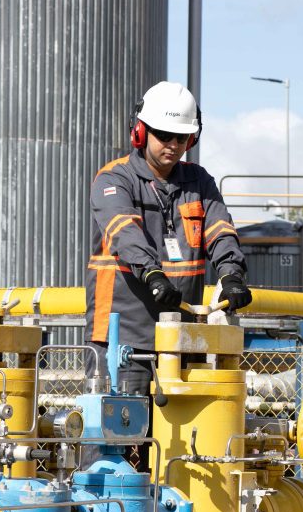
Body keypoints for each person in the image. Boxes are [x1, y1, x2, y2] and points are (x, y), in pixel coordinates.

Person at [85, 81, 252, 395]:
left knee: (179, 440)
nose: (173, 145)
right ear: (141, 132)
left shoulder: (199, 182)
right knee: (114, 439)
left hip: (182, 336)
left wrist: (231, 274)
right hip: (121, 338)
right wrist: (152, 273)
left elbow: (220, 230)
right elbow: (124, 231)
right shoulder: (114, 178)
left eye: (182, 137)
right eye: (163, 135)